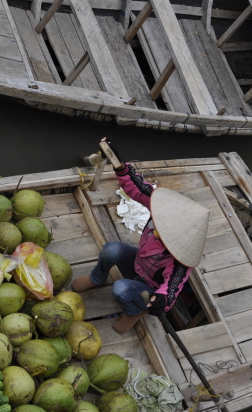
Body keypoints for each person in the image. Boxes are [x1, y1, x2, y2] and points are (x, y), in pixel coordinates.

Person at [72, 139, 210, 334]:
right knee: (111, 249)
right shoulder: (162, 211)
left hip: (149, 288)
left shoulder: (180, 261)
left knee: (120, 288)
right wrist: (119, 165)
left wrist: (162, 300)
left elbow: (171, 288)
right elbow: (138, 187)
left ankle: (134, 311)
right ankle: (96, 278)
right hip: (138, 264)